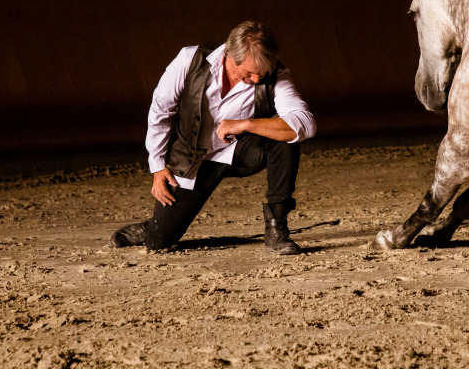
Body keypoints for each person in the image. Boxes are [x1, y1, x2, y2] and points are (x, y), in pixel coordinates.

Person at [110, 21, 316, 254]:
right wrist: (157, 167)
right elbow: (160, 111)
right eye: (249, 73)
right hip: (194, 158)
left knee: (287, 135)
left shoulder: (275, 74)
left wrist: (245, 124)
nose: (258, 80)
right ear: (230, 55)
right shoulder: (190, 60)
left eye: (262, 73)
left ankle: (277, 227)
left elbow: (306, 124)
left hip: (242, 153)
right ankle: (151, 228)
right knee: (158, 243)